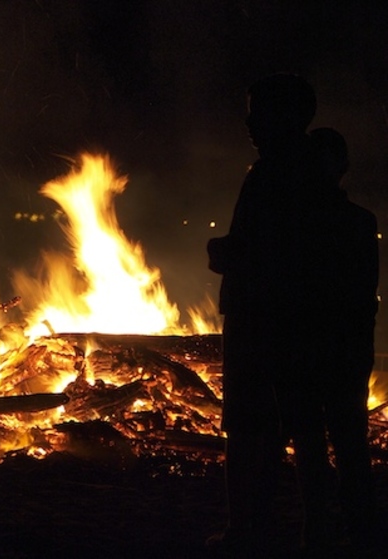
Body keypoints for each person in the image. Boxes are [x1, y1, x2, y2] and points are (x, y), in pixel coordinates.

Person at [206, 73, 327, 557]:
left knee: (250, 424)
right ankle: (296, 528)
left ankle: (245, 530)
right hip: (288, 320)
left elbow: (262, 251)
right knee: (285, 426)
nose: (249, 123)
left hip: (261, 321)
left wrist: (222, 252)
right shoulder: (307, 172)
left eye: (259, 112)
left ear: (289, 116)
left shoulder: (273, 175)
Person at [306, 127, 379, 554]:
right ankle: (356, 527)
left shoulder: (301, 224)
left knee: (321, 442)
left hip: (321, 350)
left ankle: (332, 526)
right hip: (348, 350)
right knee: (347, 441)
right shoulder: (361, 221)